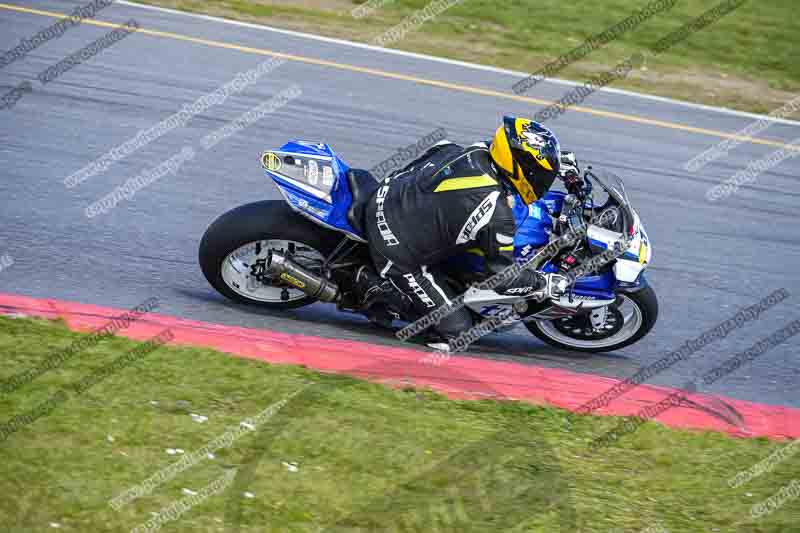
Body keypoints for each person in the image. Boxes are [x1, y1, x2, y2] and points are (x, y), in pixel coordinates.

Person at [353, 116, 581, 348]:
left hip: (390, 193)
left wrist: (557, 165)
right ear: (521, 167)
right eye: (540, 174)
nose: (542, 180)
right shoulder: (497, 214)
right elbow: (500, 277)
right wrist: (542, 282)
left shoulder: (479, 151)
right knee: (459, 333)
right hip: (395, 245)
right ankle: (375, 288)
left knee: (445, 147)